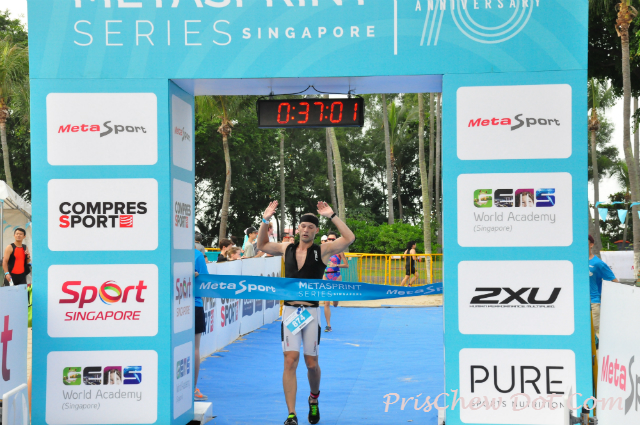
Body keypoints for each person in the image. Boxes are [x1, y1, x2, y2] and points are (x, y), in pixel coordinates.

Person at [257, 201, 355, 425]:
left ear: (316, 231)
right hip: (291, 311)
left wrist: (332, 216)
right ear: (298, 229)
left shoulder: (323, 250)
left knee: (311, 364)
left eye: (311, 227)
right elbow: (261, 244)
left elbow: (349, 238)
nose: (306, 230)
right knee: (290, 361)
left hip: (310, 312)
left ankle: (314, 398)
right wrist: (265, 219)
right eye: (303, 226)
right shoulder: (287, 248)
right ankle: (291, 414)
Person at [589, 235, 618, 337]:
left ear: (591, 245)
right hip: (577, 302)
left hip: (593, 302)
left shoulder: (598, 263)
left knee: (594, 331)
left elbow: (614, 280)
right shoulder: (575, 262)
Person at [322, 232, 348, 332]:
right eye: (329, 239)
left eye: (333, 239)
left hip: (336, 276)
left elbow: (346, 265)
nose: (331, 241)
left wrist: (336, 265)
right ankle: (328, 325)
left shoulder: (340, 251)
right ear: (327, 240)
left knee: (335, 303)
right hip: (326, 276)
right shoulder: (324, 251)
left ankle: (336, 299)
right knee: (326, 303)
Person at [194, 247, 209, 401]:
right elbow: (206, 282)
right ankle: (192, 388)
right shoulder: (197, 255)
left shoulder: (168, 252)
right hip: (194, 305)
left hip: (173, 305)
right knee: (195, 348)